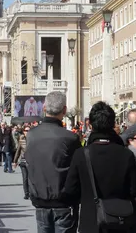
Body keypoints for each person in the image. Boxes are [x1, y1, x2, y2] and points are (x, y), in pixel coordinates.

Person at [62, 101, 136, 233]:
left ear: (91, 125)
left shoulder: (81, 154)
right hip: (119, 220)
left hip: (91, 222)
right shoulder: (126, 154)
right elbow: (134, 190)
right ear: (112, 124)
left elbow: (70, 190)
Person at [26, 91, 81, 233]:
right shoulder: (70, 138)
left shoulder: (31, 135)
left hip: (40, 199)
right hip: (63, 201)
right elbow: (78, 169)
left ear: (44, 108)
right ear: (64, 110)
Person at [13, 125, 30, 200]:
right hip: (23, 161)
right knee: (25, 178)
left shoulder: (33, 139)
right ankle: (26, 193)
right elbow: (18, 151)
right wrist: (15, 161)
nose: (27, 132)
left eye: (29, 130)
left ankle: (32, 192)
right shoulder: (21, 140)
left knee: (31, 178)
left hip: (31, 162)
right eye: (26, 130)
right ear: (23, 131)